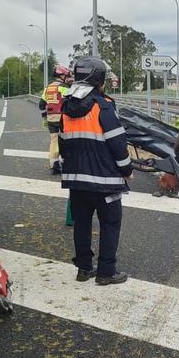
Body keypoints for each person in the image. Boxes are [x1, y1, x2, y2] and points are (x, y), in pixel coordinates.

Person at [59, 57, 133, 285]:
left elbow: (63, 144)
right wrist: (127, 169)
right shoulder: (104, 106)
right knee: (110, 223)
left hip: (77, 181)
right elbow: (118, 144)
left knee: (81, 223)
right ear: (98, 78)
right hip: (105, 181)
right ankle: (106, 272)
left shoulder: (67, 107)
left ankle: (83, 269)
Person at [40, 65, 74, 174]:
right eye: (66, 75)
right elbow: (70, 100)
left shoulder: (48, 88)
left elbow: (41, 104)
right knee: (65, 140)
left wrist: (45, 117)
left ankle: (53, 164)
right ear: (62, 75)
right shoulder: (63, 87)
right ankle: (66, 162)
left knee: (54, 140)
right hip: (62, 118)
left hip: (51, 119)